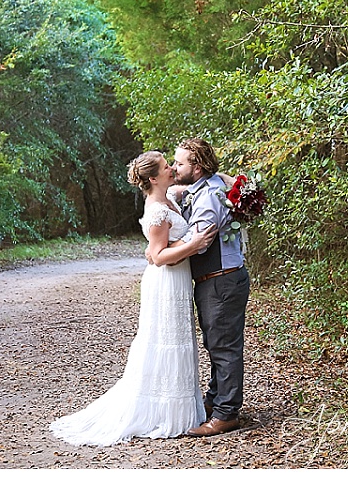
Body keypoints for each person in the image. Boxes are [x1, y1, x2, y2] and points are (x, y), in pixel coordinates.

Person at [49, 151, 218, 446]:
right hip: (166, 282)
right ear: (153, 178)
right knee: (164, 340)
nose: (173, 169)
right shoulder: (156, 209)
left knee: (177, 339)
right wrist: (194, 244)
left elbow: (202, 183)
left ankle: (180, 407)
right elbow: (157, 255)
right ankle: (163, 412)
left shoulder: (170, 196)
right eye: (168, 167)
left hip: (177, 281)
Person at [171, 138, 251, 437]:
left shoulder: (207, 197)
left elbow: (199, 243)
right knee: (216, 343)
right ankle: (215, 400)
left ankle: (226, 413)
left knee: (224, 347)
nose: (175, 167)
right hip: (216, 280)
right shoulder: (206, 187)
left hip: (222, 279)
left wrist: (164, 250)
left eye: (180, 163)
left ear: (198, 167)